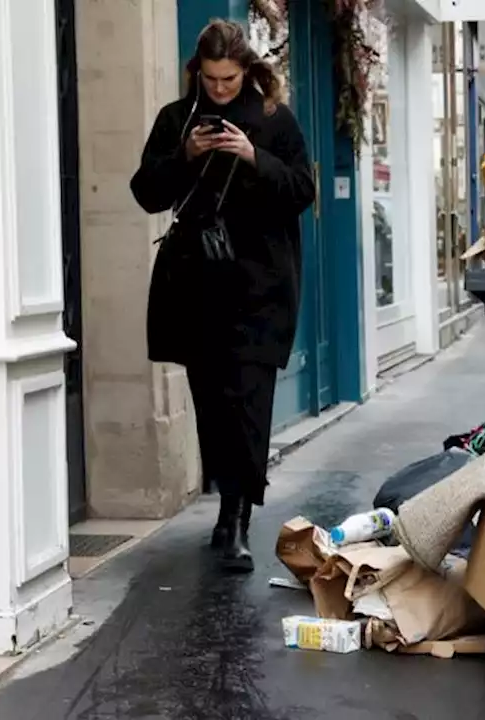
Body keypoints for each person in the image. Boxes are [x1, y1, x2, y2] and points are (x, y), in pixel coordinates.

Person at [130, 19, 315, 572]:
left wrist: (253, 155)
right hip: (198, 284)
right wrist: (186, 154)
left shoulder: (274, 120)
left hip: (260, 284)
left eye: (230, 79)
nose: (220, 89)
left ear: (247, 69)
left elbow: (302, 189)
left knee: (249, 404)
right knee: (212, 404)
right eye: (211, 79)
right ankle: (226, 506)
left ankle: (237, 518)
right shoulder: (178, 118)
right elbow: (145, 192)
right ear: (198, 72)